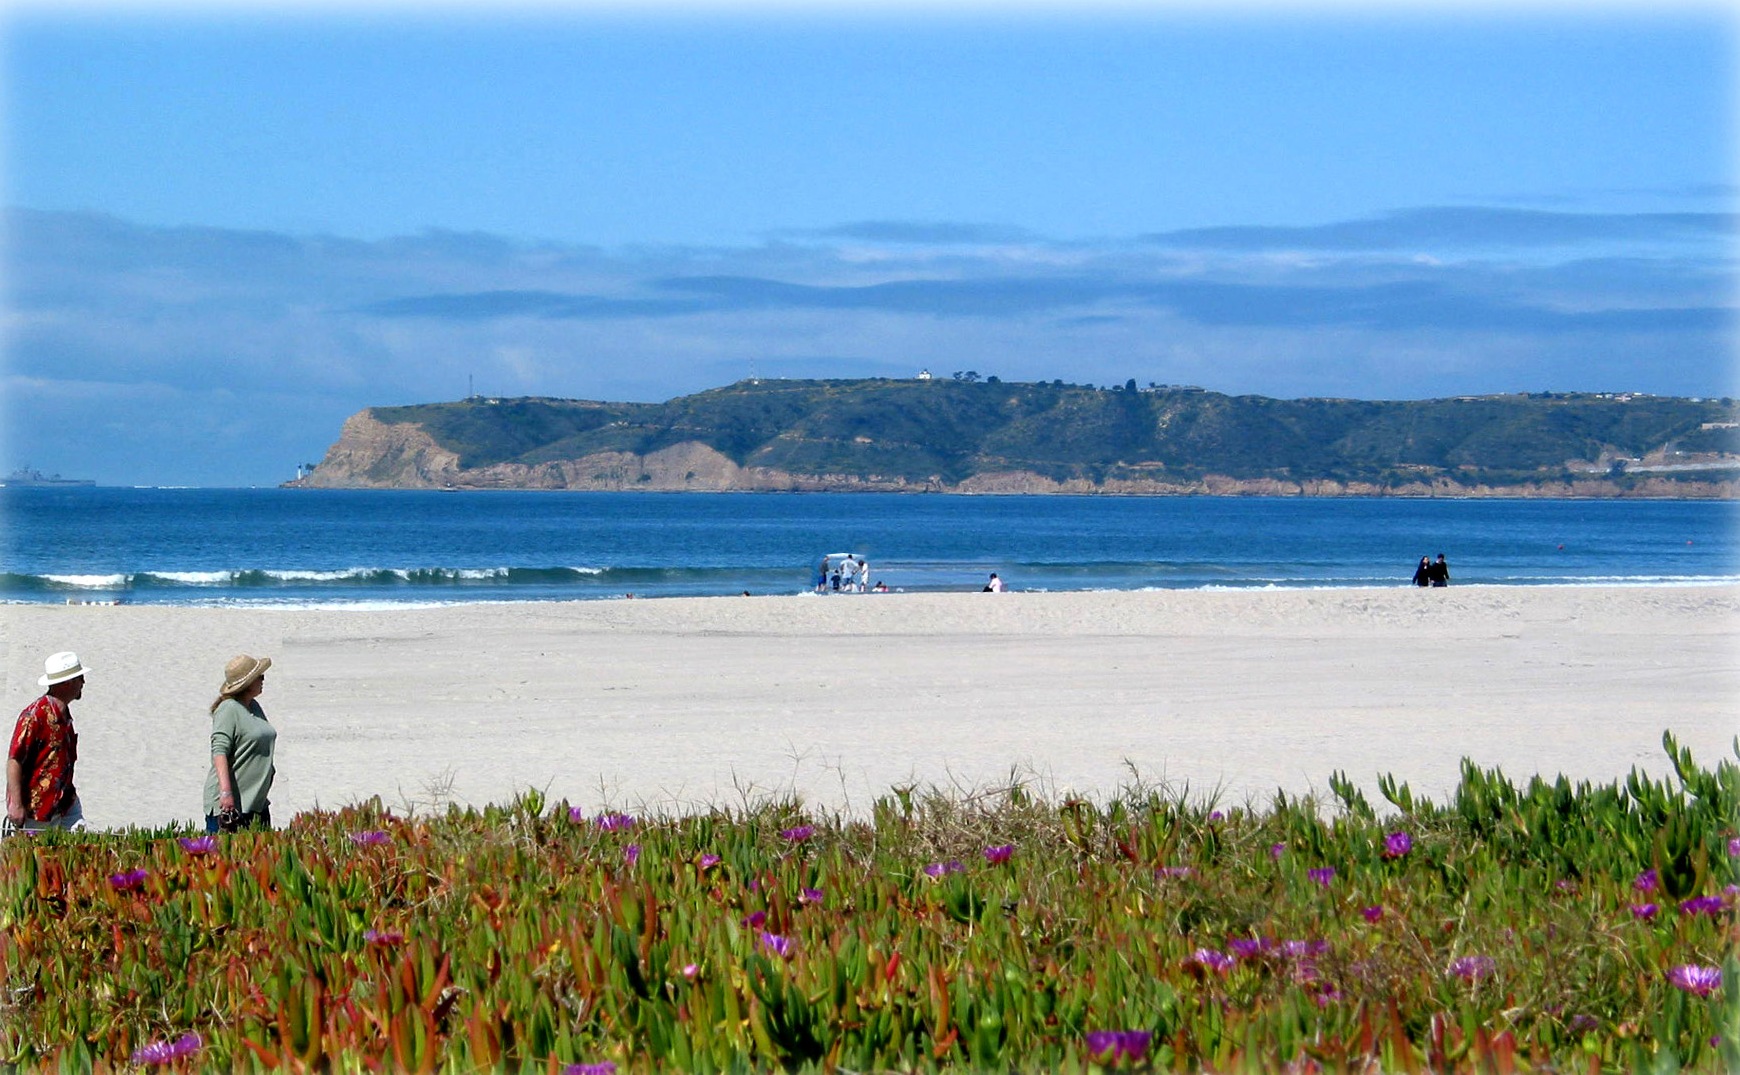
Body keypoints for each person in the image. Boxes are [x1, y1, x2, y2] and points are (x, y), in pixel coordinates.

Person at [5, 651, 90, 835]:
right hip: (37, 809)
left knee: (81, 846)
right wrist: (16, 805)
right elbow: (14, 760)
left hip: (66, 802)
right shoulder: (34, 716)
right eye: (80, 678)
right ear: (67, 683)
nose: (83, 683)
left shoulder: (64, 714)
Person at [204, 654, 278, 833]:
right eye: (259, 676)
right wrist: (226, 793)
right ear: (248, 682)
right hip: (233, 805)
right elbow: (219, 751)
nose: (263, 679)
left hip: (256, 802)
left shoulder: (254, 707)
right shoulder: (228, 709)